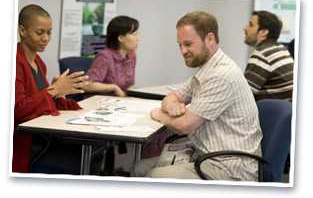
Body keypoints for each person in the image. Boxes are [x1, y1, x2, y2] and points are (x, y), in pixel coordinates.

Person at [132, 11, 262, 181]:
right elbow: (173, 96)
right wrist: (172, 106)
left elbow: (184, 126)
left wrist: (158, 113)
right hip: (208, 155)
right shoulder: (207, 68)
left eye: (187, 44)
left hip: (230, 168)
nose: (183, 51)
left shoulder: (222, 75)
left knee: (154, 176)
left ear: (209, 38)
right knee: (139, 168)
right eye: (180, 45)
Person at [14, 4, 89, 173]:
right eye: (40, 32)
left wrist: (61, 92)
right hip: (24, 144)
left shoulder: (40, 63)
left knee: (89, 152)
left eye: (49, 32)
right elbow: (18, 110)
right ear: (22, 31)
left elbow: (40, 101)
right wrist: (54, 90)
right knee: (80, 158)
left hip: (42, 137)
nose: (46, 38)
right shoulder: (14, 61)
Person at [243, 11, 294, 101]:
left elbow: (242, 97)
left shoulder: (262, 55)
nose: (245, 28)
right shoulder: (281, 49)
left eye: (251, 25)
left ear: (263, 32)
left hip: (269, 113)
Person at [84, 15, 139, 96]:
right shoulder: (105, 56)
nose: (138, 38)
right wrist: (114, 87)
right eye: (134, 34)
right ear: (121, 38)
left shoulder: (131, 55)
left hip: (121, 102)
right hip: (101, 103)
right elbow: (87, 85)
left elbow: (129, 84)